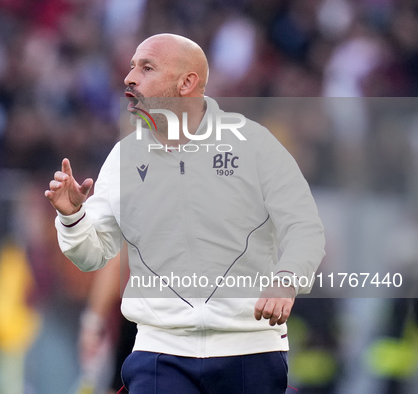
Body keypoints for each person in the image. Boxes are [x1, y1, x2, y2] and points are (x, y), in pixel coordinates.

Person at [45, 33, 325, 394]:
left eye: (146, 68)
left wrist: (286, 279)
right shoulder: (123, 157)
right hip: (159, 355)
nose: (130, 78)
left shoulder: (255, 146)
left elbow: (305, 227)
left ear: (187, 83)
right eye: (131, 67)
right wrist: (72, 218)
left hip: (250, 351)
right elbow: (92, 255)